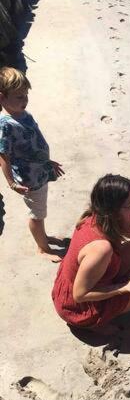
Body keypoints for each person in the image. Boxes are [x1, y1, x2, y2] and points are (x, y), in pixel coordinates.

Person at [52, 174, 130, 333]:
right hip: (76, 308)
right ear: (113, 210)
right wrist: (123, 287)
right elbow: (80, 294)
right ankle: (100, 319)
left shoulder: (99, 216)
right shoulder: (101, 249)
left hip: (75, 285)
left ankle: (116, 296)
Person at [0, 67, 65, 262]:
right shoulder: (5, 124)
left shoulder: (23, 114)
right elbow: (3, 156)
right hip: (29, 178)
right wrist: (11, 183)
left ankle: (43, 237)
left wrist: (47, 161)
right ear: (2, 98)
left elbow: (34, 141)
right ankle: (42, 248)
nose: (25, 100)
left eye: (26, 95)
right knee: (37, 215)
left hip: (40, 171)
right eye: (19, 97)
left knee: (40, 210)